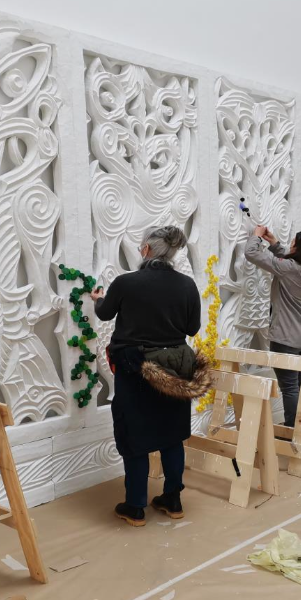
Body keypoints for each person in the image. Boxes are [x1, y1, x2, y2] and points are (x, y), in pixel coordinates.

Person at [91, 226, 203, 528]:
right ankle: (173, 499)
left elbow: (104, 314)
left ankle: (136, 506)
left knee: (135, 434)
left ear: (145, 250)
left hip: (136, 367)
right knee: (171, 434)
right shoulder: (187, 286)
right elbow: (192, 329)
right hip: (175, 366)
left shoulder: (127, 283)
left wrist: (96, 299)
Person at [243, 224, 301, 428]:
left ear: (300, 250)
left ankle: (294, 431)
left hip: (287, 337)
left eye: (294, 243)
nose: (290, 244)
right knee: (298, 385)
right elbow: (290, 261)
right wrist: (274, 244)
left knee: (289, 388)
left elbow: (251, 253)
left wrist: (256, 236)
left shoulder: (289, 269)